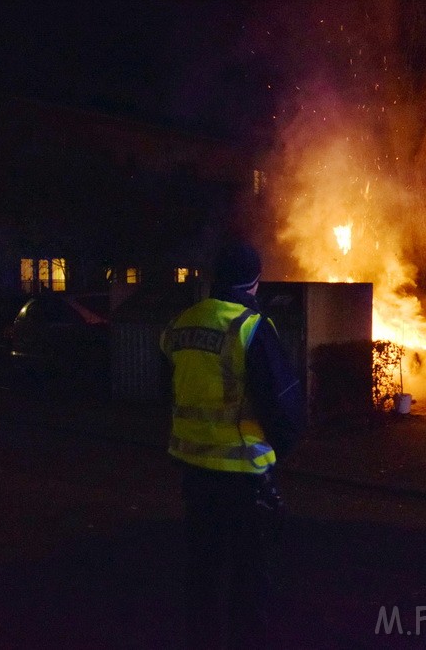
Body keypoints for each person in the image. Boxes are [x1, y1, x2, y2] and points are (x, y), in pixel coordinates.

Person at [160, 240, 304, 648]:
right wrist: (284, 449)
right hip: (243, 477)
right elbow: (282, 404)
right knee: (249, 577)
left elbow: (169, 390)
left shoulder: (180, 324)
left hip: (192, 469)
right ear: (255, 282)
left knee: (202, 571)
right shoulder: (250, 327)